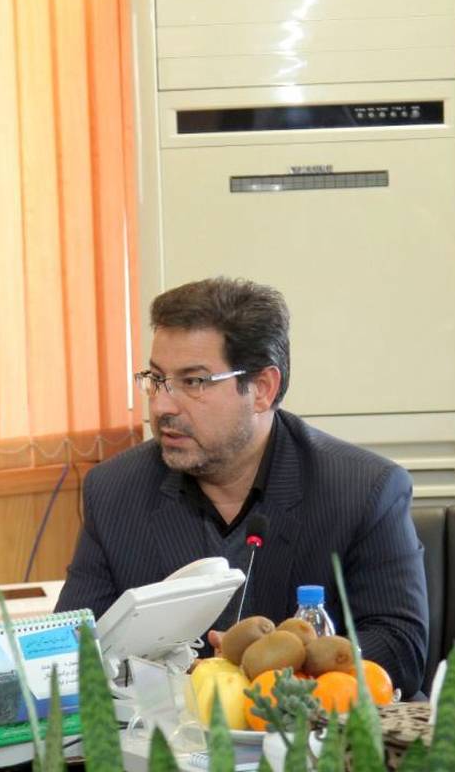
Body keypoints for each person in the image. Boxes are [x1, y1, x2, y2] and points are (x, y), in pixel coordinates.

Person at [54, 277, 428, 696]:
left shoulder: (362, 490)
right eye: (156, 379)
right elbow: (69, 654)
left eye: (193, 382)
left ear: (262, 389)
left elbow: (400, 649)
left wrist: (264, 667)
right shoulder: (116, 490)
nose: (161, 405)